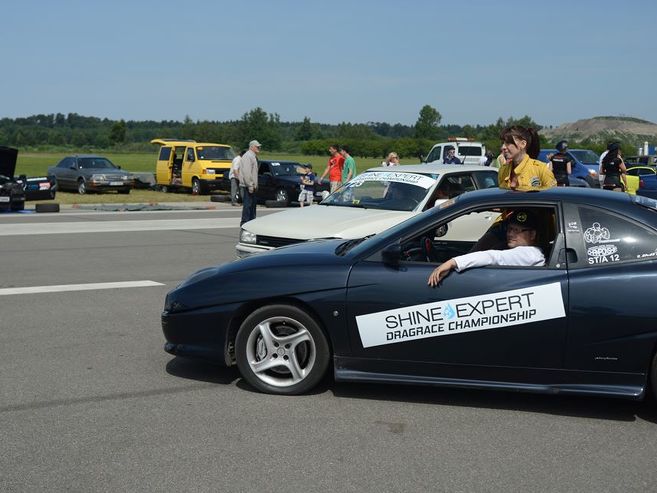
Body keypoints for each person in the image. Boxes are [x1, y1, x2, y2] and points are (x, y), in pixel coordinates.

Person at [428, 210, 545, 287]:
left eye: (517, 230)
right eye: (510, 229)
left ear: (532, 235)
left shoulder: (530, 254)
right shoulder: (528, 253)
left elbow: (494, 256)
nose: (511, 234)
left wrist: (452, 262)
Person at [497, 126, 557, 190]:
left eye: (508, 143)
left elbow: (553, 195)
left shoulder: (541, 169)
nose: (503, 147)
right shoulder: (503, 170)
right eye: (502, 143)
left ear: (523, 144)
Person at [239, 140, 261, 226]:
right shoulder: (248, 156)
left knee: (252, 206)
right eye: (257, 146)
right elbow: (247, 172)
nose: (259, 148)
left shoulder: (253, 156)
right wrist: (250, 185)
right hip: (248, 186)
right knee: (248, 206)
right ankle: (245, 223)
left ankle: (252, 223)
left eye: (259, 146)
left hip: (252, 185)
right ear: (251, 147)